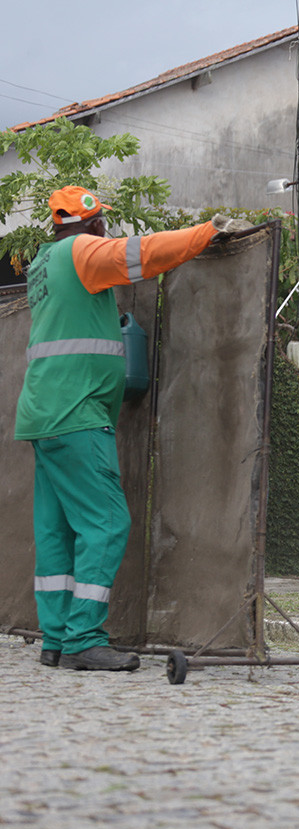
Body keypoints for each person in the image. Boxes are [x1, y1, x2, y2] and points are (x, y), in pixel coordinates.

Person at [15, 186, 251, 672]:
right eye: (104, 226)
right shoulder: (84, 251)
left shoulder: (43, 263)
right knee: (107, 523)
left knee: (57, 530)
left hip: (43, 413)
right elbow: (143, 254)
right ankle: (83, 638)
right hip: (76, 413)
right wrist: (207, 233)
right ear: (95, 224)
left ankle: (56, 639)